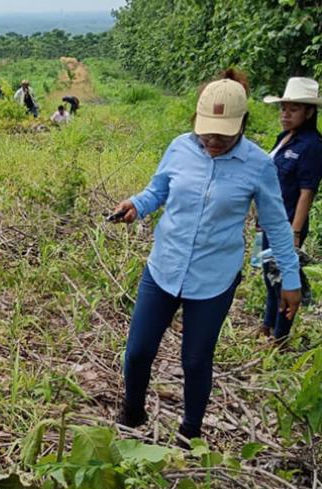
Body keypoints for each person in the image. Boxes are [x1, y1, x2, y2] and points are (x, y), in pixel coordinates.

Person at [111, 70, 301, 443]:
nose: (211, 141)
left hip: (214, 278)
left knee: (196, 361)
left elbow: (277, 226)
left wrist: (290, 281)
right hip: (164, 266)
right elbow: (157, 191)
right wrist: (137, 204)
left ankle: (189, 434)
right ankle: (132, 414)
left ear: (243, 124)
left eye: (223, 134)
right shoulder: (180, 147)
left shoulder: (259, 165)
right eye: (206, 132)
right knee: (136, 353)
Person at [259, 77, 322, 341]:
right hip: (270, 219)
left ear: (308, 112)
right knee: (269, 276)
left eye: (293, 109)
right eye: (283, 108)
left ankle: (280, 337)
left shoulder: (312, 146)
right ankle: (267, 324)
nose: (285, 114)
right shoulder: (284, 138)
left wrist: (294, 233)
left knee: (284, 281)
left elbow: (307, 192)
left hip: (287, 223)